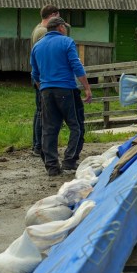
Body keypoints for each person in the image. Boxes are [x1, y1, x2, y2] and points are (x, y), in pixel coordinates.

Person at [30, 16, 93, 177]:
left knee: (49, 129)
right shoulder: (67, 42)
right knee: (75, 125)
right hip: (65, 89)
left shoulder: (37, 46)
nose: (65, 29)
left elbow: (35, 73)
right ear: (60, 28)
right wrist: (86, 87)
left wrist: (42, 89)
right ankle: (69, 160)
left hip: (46, 91)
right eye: (64, 26)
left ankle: (51, 166)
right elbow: (76, 65)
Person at [30, 4, 60, 156]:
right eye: (58, 16)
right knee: (43, 112)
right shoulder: (43, 32)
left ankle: (37, 145)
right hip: (43, 76)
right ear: (53, 15)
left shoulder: (37, 28)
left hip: (39, 74)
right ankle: (38, 146)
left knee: (39, 111)